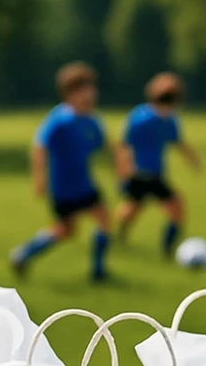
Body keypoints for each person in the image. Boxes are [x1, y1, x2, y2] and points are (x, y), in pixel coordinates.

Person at [11, 62, 123, 281]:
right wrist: (40, 178)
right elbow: (39, 147)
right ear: (70, 93)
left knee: (103, 219)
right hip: (63, 188)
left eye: (92, 88)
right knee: (66, 231)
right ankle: (24, 253)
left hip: (85, 184)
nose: (91, 94)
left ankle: (98, 270)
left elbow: (106, 147)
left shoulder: (92, 120)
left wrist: (119, 170)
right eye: (85, 89)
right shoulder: (60, 120)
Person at [116, 72, 202, 256]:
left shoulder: (166, 119)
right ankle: (167, 248)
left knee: (134, 208)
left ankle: (120, 236)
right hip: (140, 174)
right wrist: (124, 170)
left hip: (151, 174)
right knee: (175, 208)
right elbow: (125, 145)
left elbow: (178, 142)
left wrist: (193, 160)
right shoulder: (142, 118)